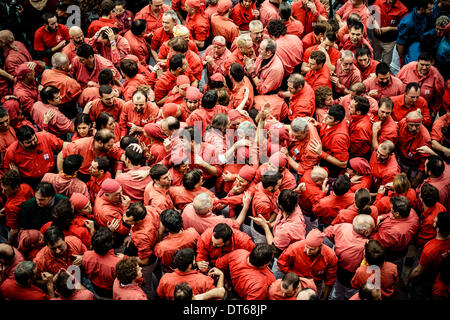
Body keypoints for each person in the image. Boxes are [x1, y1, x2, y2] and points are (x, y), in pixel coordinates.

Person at [325, 215, 376, 300]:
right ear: (365, 232)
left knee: (337, 292)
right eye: (372, 228)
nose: (373, 230)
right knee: (351, 294)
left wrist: (336, 242)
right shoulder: (366, 245)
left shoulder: (344, 226)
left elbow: (327, 231)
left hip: (337, 267)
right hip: (351, 275)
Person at [277, 229, 338, 300]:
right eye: (307, 247)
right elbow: (281, 263)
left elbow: (330, 280)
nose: (308, 251)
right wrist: (293, 277)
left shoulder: (330, 256)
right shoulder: (294, 248)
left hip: (316, 283)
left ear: (320, 246)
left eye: (312, 249)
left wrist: (324, 298)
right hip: (297, 281)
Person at [121, 202, 160, 299]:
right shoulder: (148, 209)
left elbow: (145, 260)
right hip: (150, 246)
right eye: (125, 214)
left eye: (129, 221)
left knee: (146, 283)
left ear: (138, 221)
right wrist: (131, 235)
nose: (124, 219)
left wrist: (126, 258)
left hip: (147, 260)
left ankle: (150, 296)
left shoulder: (142, 236)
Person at [408, 212, 450, 300]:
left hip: (428, 272)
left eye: (434, 222)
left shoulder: (429, 249)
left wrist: (409, 278)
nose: (433, 223)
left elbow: (418, 271)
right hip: (441, 271)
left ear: (438, 229)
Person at [370, 196, 419, 262]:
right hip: (402, 245)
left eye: (391, 208)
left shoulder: (393, 232)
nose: (390, 209)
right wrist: (381, 217)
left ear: (397, 213)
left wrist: (368, 232)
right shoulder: (411, 212)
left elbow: (378, 240)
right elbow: (391, 214)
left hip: (391, 252)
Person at [397, 52, 445, 116]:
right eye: (422, 64)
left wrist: (435, 110)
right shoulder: (407, 68)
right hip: (404, 107)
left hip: (424, 109)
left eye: (427, 65)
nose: (424, 68)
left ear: (431, 63)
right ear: (417, 62)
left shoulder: (436, 75)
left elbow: (439, 95)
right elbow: (396, 84)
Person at [81, 227, 123, 299]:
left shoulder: (86, 256)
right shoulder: (117, 263)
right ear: (110, 244)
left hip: (95, 287)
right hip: (110, 290)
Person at [310, 105, 350, 177]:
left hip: (331, 166)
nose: (325, 117)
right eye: (327, 113)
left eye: (329, 118)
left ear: (337, 121)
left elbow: (343, 164)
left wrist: (321, 153)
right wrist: (318, 125)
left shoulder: (339, 138)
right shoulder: (331, 121)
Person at [182, 192, 249, 235]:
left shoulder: (187, 208)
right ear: (209, 209)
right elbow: (238, 223)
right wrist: (246, 206)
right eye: (212, 201)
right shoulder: (217, 223)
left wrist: (232, 192)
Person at [396, 110, 432, 187]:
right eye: (411, 125)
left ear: (421, 123)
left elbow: (424, 161)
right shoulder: (402, 123)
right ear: (406, 122)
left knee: (413, 184)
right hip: (402, 160)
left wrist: (418, 177)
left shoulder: (425, 138)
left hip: (416, 165)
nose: (413, 129)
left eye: (417, 125)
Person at [40, 52, 83, 116]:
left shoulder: (45, 72)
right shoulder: (69, 82)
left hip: (49, 105)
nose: (69, 64)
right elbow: (79, 97)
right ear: (63, 67)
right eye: (68, 63)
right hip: (68, 109)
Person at [0, 169, 34, 243]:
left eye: (5, 190)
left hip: (18, 228)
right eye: (2, 189)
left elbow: (14, 230)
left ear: (15, 187)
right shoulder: (26, 187)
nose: (3, 192)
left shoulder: (11, 207)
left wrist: (9, 242)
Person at [371, 0, 409, 64]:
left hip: (390, 42)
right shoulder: (378, 2)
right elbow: (371, 14)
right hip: (376, 39)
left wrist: (389, 28)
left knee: (386, 63)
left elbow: (404, 28)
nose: (391, 1)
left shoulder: (403, 10)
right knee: (374, 60)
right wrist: (374, 23)